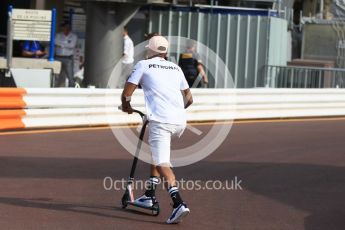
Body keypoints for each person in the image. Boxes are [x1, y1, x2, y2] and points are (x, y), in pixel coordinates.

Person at [121, 35, 193, 224]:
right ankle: (149, 193)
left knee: (162, 163)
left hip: (161, 121)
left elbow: (126, 93)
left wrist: (127, 107)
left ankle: (178, 203)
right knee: (156, 151)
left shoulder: (143, 65)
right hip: (179, 122)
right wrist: (175, 112)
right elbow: (190, 99)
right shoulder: (176, 68)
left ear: (150, 50)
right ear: (165, 51)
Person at [55, 21, 78, 87]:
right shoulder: (58, 35)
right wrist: (66, 45)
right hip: (58, 57)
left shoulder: (74, 36)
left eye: (68, 27)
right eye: (65, 27)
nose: (66, 29)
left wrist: (61, 45)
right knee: (57, 75)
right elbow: (55, 42)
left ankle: (72, 91)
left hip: (68, 58)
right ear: (63, 28)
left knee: (70, 76)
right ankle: (56, 89)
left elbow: (72, 45)